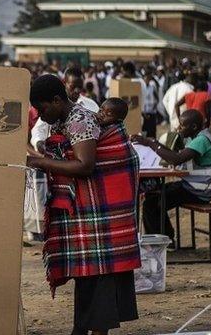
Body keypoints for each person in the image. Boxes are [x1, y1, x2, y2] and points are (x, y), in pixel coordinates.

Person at [26, 74, 140, 335]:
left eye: (43, 110)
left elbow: (85, 165)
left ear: (56, 100)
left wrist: (41, 162)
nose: (42, 117)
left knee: (98, 277)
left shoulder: (79, 120)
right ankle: (81, 329)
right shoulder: (62, 120)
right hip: (85, 210)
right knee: (86, 276)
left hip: (98, 209)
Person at [133, 110, 211, 242]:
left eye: (182, 125)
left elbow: (176, 159)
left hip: (199, 191)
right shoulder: (198, 137)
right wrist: (154, 142)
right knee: (153, 195)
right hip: (192, 187)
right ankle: (166, 236)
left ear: (194, 127)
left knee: (151, 204)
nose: (178, 128)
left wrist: (151, 144)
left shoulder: (201, 140)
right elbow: (175, 155)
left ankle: (159, 242)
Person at [30, 68, 99, 152]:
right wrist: (40, 144)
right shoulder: (55, 113)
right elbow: (38, 130)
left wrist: (39, 162)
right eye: (73, 86)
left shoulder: (84, 115)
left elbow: (84, 163)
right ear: (64, 83)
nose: (77, 90)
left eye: (80, 87)